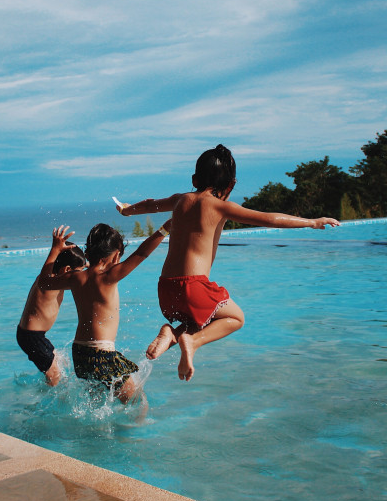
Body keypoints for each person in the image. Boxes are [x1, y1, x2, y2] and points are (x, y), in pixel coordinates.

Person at [115, 144, 340, 382]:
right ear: (231, 184)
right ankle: (190, 341)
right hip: (194, 286)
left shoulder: (180, 200)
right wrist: (313, 222)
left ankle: (171, 334)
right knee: (235, 318)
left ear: (194, 178)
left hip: (166, 288)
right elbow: (271, 219)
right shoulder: (220, 206)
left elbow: (150, 204)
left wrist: (127, 210)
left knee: (200, 318)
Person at [38, 221, 171, 408]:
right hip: (102, 354)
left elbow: (43, 282)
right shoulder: (108, 277)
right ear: (116, 255)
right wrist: (164, 230)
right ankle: (132, 437)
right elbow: (142, 253)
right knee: (138, 403)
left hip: (80, 353)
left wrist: (55, 250)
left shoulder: (76, 278)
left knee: (98, 402)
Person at [17, 225, 87, 386]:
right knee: (54, 376)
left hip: (34, 335)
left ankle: (46, 388)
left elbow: (77, 270)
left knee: (61, 363)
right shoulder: (48, 282)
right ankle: (45, 405)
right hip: (31, 336)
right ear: (67, 269)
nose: (81, 275)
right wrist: (55, 249)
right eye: (79, 271)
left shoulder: (55, 278)